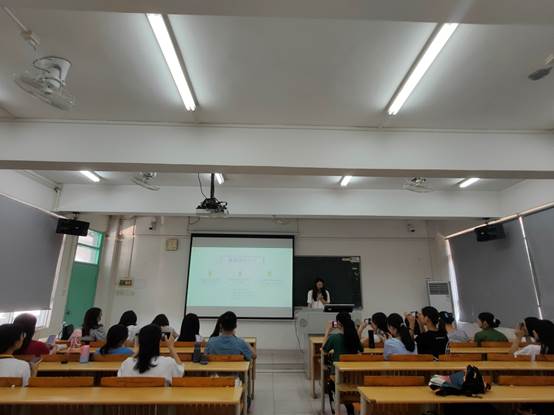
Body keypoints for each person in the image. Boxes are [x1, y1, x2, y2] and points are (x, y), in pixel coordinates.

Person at [322, 312, 362, 415]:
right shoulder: (355, 338)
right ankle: (350, 410)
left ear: (339, 324)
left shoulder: (335, 338)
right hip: (356, 379)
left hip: (339, 377)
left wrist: (327, 331)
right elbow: (361, 350)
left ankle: (335, 411)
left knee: (330, 384)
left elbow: (324, 351)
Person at [118, 324, 184, 385]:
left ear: (139, 341)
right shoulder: (168, 363)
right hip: (160, 394)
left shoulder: (126, 363)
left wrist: (137, 348)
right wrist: (171, 347)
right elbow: (180, 372)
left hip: (132, 394)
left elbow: (119, 379)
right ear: (159, 342)